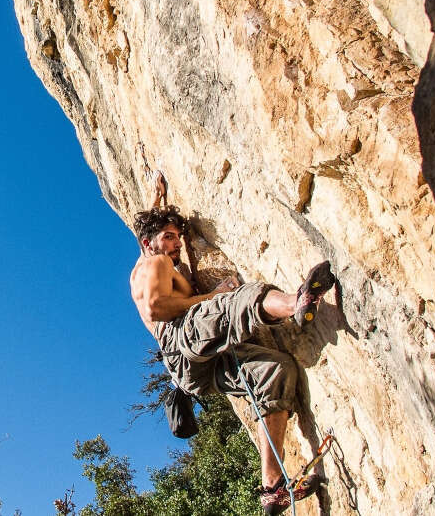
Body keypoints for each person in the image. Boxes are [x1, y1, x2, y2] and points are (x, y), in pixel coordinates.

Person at [129, 205, 335, 514]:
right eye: (169, 237)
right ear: (149, 243)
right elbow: (155, 308)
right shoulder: (157, 261)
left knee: (275, 371)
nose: (177, 243)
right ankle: (297, 303)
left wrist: (158, 194)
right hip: (181, 337)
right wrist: (211, 296)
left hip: (191, 372)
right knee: (233, 301)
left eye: (178, 237)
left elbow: (147, 235)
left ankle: (272, 487)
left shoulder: (146, 264)